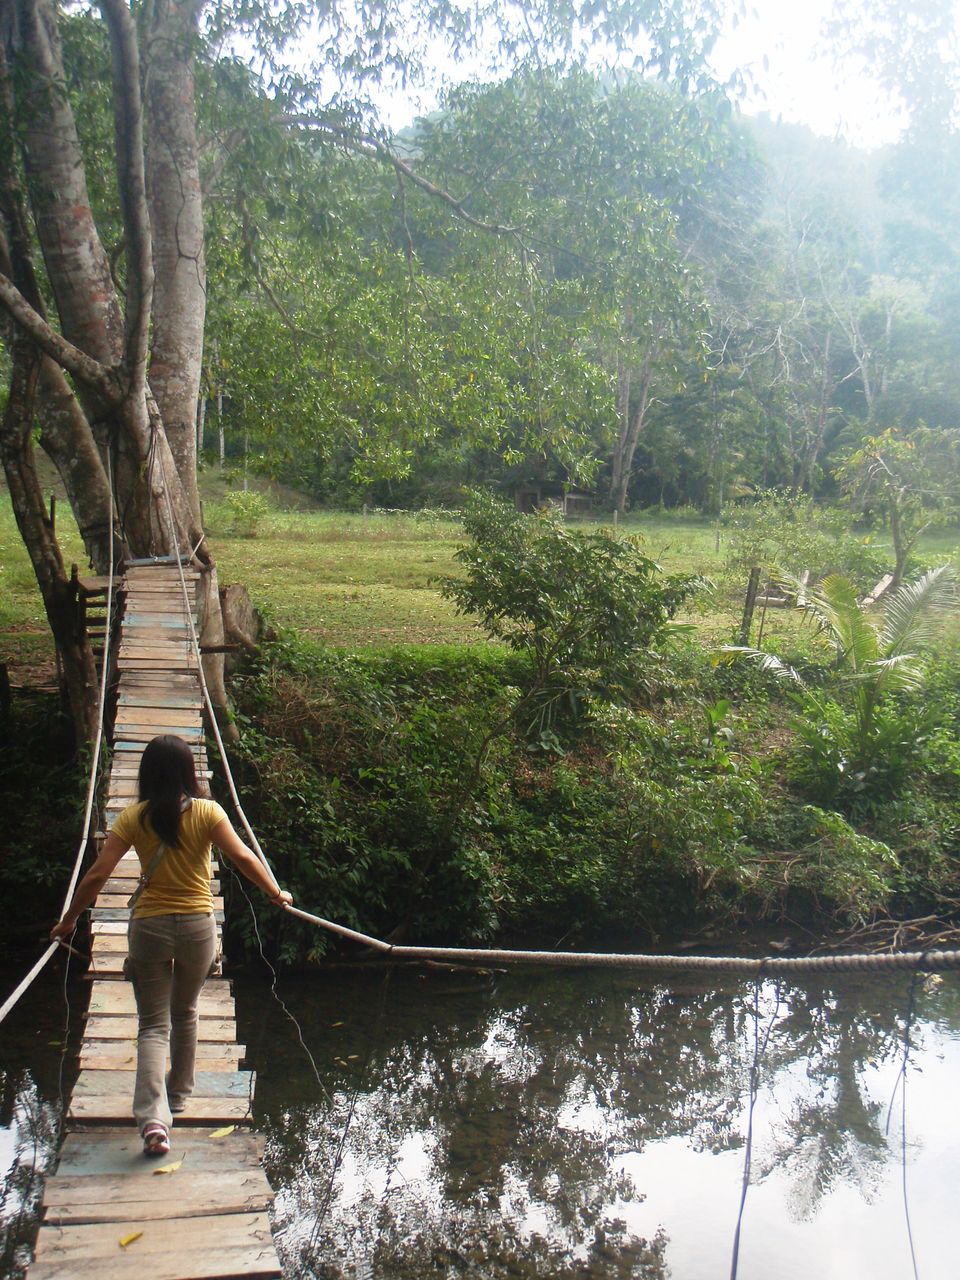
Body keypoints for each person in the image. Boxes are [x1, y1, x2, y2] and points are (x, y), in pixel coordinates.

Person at [51, 734, 293, 1157]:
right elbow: (243, 858)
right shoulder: (208, 812)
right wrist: (276, 892)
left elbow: (96, 876)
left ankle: (154, 1121)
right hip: (198, 928)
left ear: (147, 774)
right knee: (186, 1012)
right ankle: (178, 1096)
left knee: (152, 1025)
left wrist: (69, 920)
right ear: (188, 772)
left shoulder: (133, 818)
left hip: (149, 928)